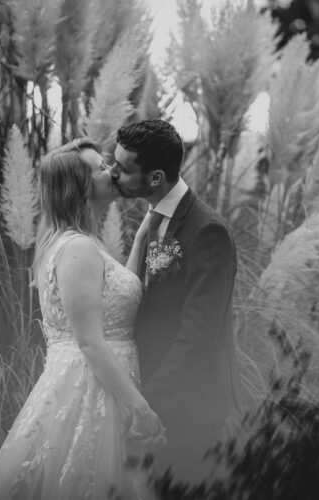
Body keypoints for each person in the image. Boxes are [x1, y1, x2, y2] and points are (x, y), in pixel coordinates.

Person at [0, 138, 164, 500]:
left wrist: (139, 240)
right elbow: (90, 341)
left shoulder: (80, 242)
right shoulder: (77, 248)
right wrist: (140, 407)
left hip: (101, 383)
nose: (111, 172)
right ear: (81, 187)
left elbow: (117, 297)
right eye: (101, 168)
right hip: (92, 392)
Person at [111, 119, 238, 485]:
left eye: (123, 168)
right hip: (159, 392)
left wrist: (146, 404)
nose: (114, 173)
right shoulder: (155, 218)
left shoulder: (207, 231)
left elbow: (196, 337)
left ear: (155, 178)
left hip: (191, 405)